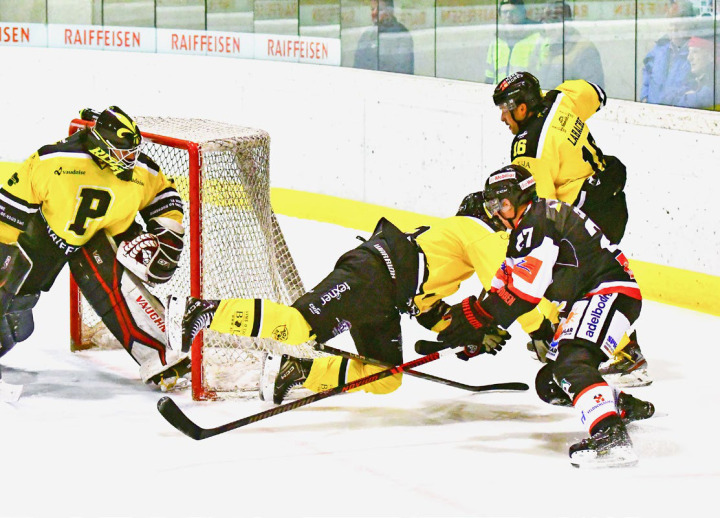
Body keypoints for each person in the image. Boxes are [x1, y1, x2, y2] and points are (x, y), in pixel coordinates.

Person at [174, 195, 565, 405]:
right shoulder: (476, 230)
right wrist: (541, 330)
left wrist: (468, 333)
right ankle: (204, 311)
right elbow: (513, 289)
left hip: (385, 298)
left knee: (385, 377)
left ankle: (297, 372)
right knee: (297, 325)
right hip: (372, 273)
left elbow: (431, 315)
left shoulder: (448, 260)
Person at [436, 164, 654, 468]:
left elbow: (525, 293)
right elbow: (503, 283)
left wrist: (479, 318)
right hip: (591, 297)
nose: (497, 211)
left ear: (521, 197)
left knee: (571, 364)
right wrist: (478, 325)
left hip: (608, 292)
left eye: (502, 203)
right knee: (551, 382)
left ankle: (610, 436)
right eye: (492, 205)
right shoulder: (527, 227)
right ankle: (616, 406)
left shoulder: (537, 222)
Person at [0, 106, 189, 392]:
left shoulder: (142, 170)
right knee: (17, 326)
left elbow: (164, 195)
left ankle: (161, 353)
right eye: (122, 152)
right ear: (101, 146)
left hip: (101, 239)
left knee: (118, 285)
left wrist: (167, 234)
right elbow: (8, 211)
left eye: (133, 151)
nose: (131, 159)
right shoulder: (53, 161)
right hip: (47, 235)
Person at [492, 70, 651, 387]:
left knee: (568, 279)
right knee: (576, 282)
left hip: (587, 216)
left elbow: (537, 212)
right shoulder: (563, 96)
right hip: (611, 199)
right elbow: (597, 93)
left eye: (505, 110)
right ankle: (575, 338)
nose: (503, 118)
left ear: (522, 107)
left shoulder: (529, 147)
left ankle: (625, 354)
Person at [535, 0, 604, 89]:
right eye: (546, 21)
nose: (549, 27)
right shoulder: (548, 47)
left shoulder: (584, 49)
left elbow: (593, 93)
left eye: (555, 21)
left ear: (568, 23)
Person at [640, 0, 696, 106]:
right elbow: (647, 70)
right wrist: (644, 97)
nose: (674, 29)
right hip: (653, 110)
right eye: (671, 24)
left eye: (679, 24)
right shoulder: (659, 48)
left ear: (690, 25)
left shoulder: (696, 53)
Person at [484, 0, 543, 84]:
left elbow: (543, 74)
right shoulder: (496, 41)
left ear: (523, 13)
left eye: (513, 11)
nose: (508, 15)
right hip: (500, 93)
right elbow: (489, 75)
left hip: (525, 93)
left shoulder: (537, 39)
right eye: (505, 12)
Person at [353, 0, 414, 75]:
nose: (374, 13)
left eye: (379, 10)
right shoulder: (367, 35)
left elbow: (402, 70)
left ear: (390, 12)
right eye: (372, 9)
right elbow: (358, 66)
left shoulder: (401, 35)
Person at [674, 36, 717, 109]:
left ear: (711, 56)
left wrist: (687, 97)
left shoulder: (715, 82)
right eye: (689, 52)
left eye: (695, 52)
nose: (689, 58)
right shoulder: (691, 79)